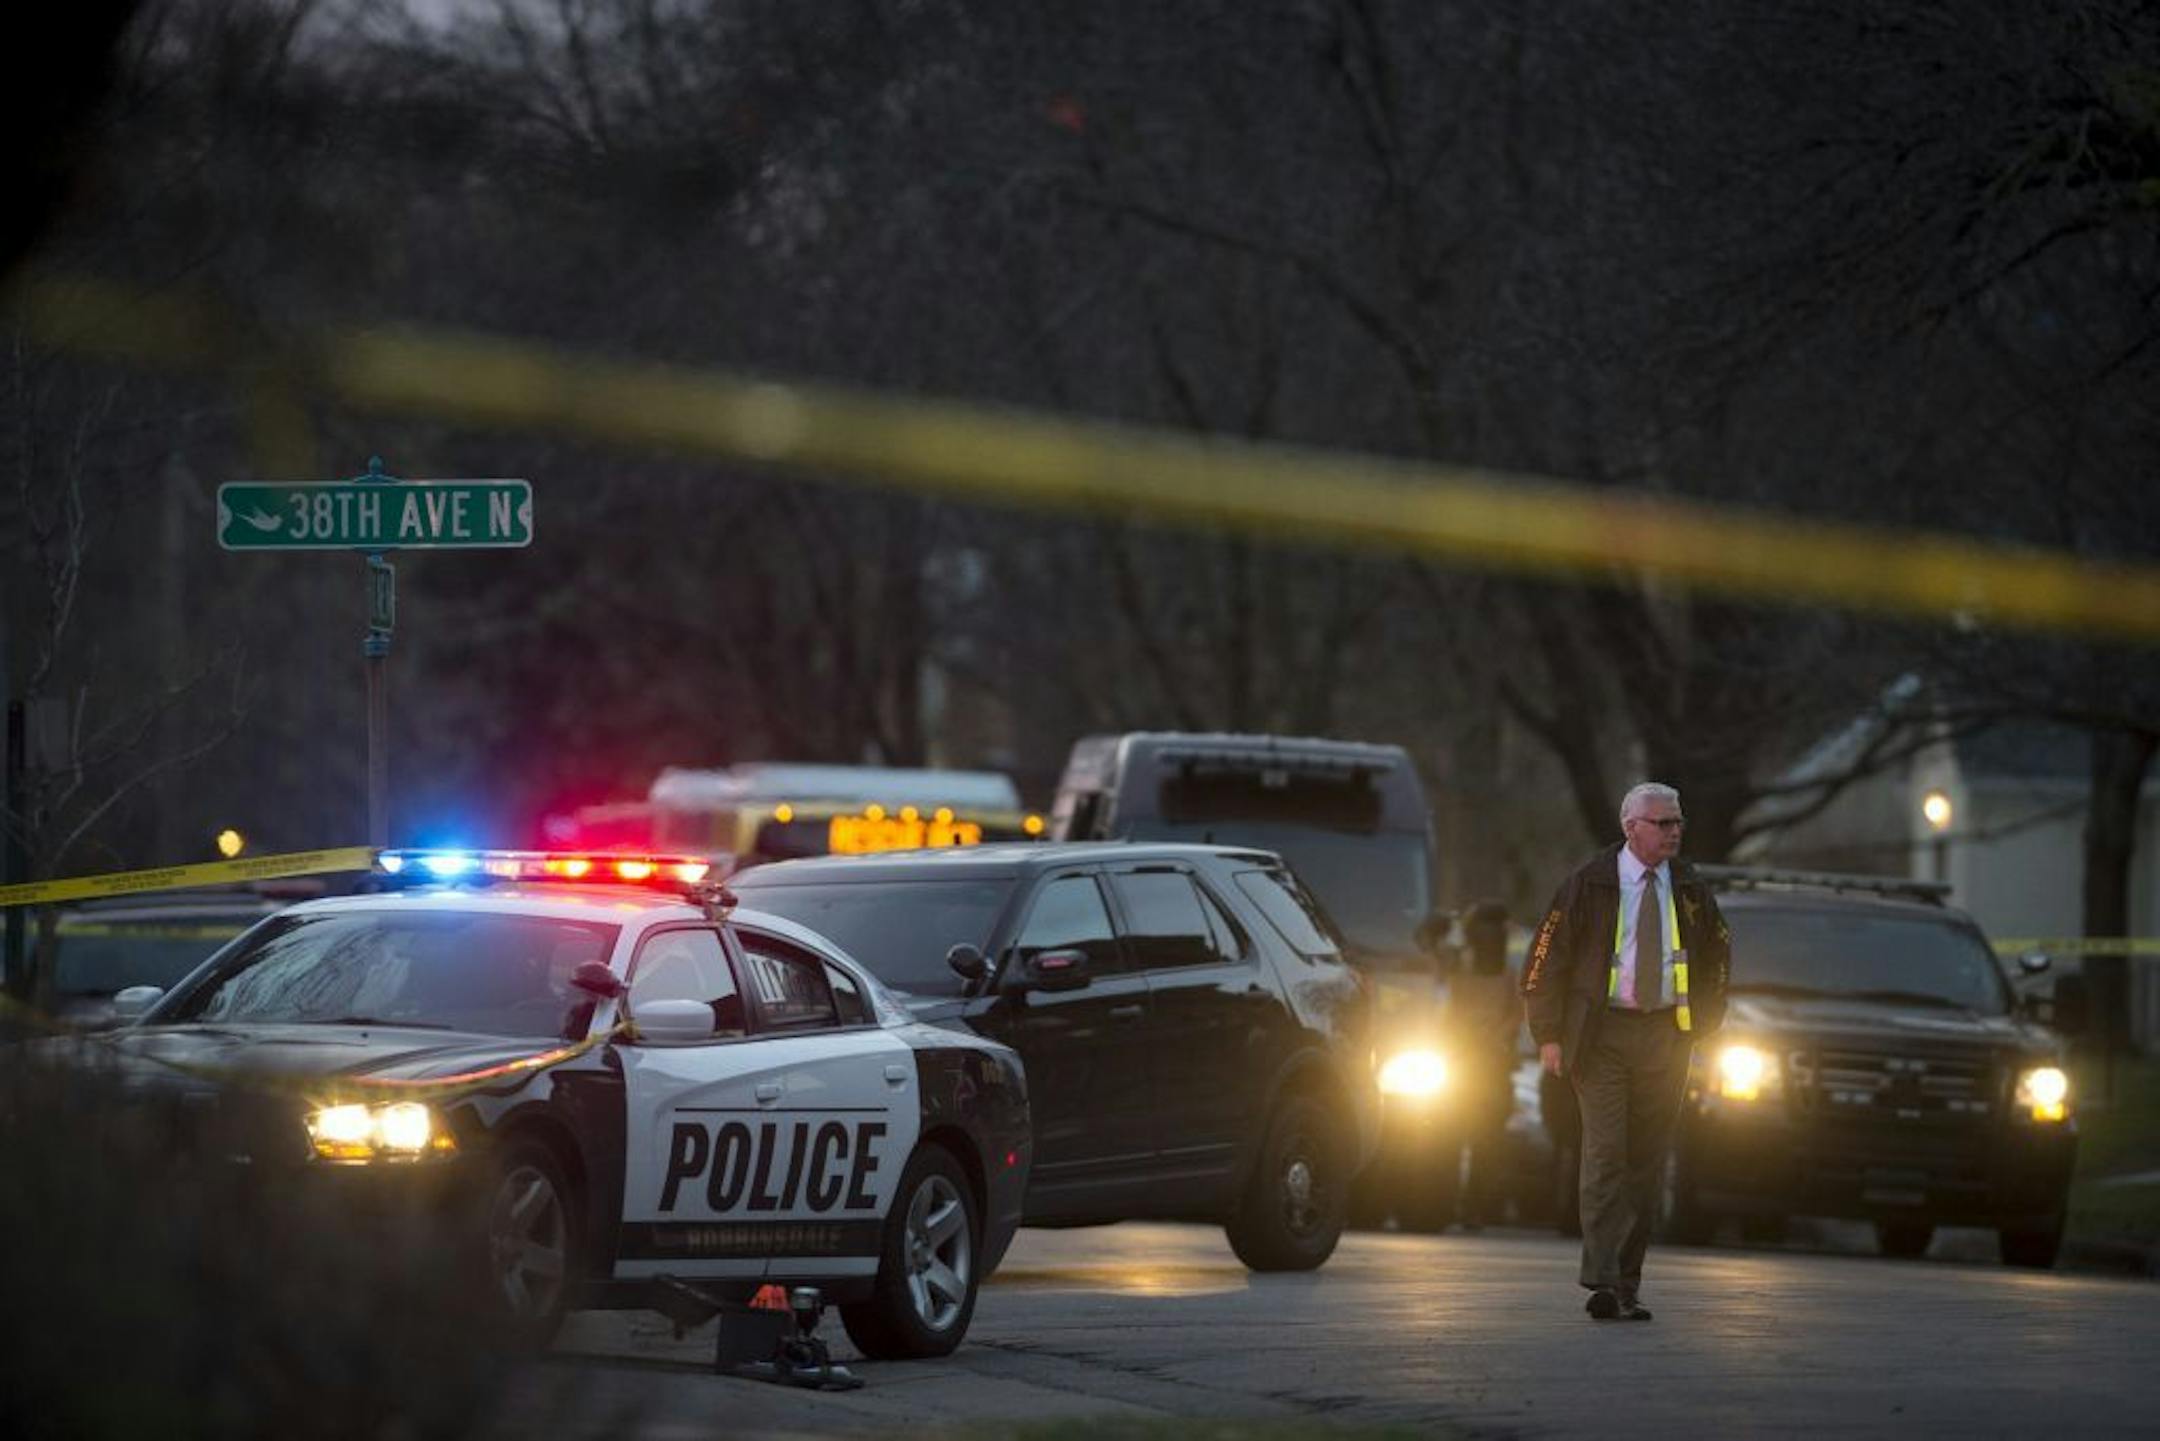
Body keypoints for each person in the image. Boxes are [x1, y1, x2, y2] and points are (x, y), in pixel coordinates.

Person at [1520, 782, 1730, 1321]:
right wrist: (1548, 1035)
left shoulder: (1690, 888)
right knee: (1606, 1153)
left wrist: (1704, 1022)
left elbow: (1718, 954)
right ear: (1630, 827)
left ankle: (1627, 1284)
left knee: (1646, 1162)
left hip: (1667, 1037)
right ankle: (1603, 1277)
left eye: (1678, 822)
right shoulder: (1587, 884)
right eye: (1663, 823)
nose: (1674, 832)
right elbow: (1544, 962)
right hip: (1602, 1037)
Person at [1443, 899, 1518, 1229]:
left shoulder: (1507, 976)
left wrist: (1495, 1036)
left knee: (1486, 1142)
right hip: (1462, 1066)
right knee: (1454, 1136)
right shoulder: (1459, 973)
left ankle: (1475, 1206)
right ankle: (1454, 1203)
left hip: (1491, 1069)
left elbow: (1516, 1015)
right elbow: (1449, 1012)